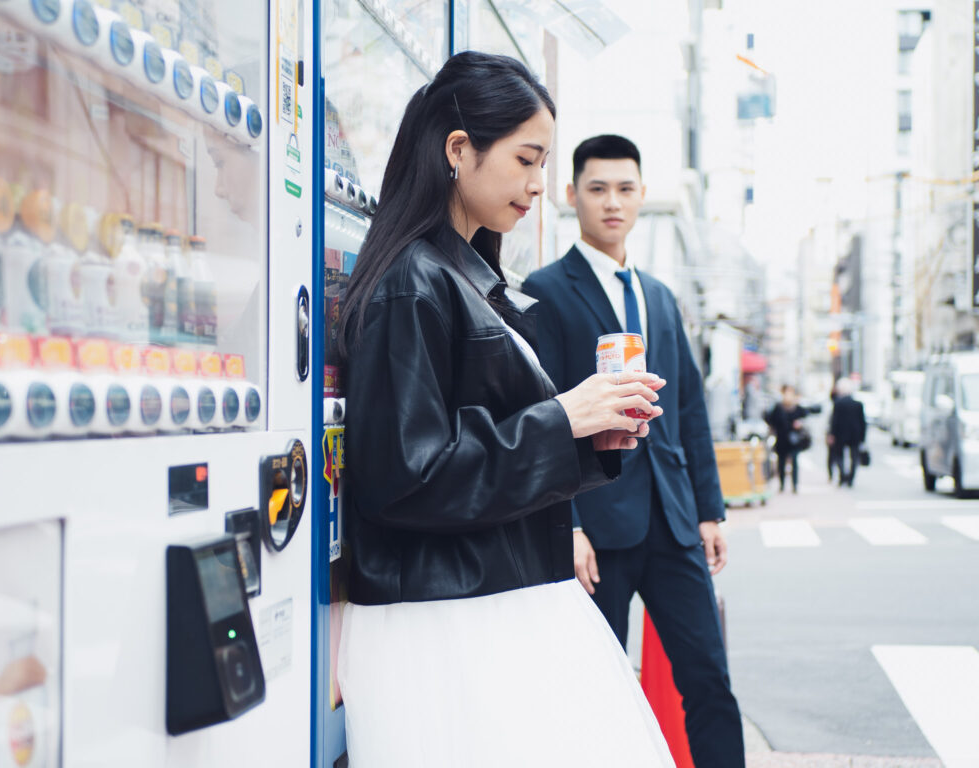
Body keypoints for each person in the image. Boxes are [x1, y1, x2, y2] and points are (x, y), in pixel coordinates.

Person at [337, 53, 674, 767]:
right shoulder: (415, 282)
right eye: (526, 159)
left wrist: (593, 436)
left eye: (543, 161)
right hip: (450, 623)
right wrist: (566, 419)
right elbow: (405, 476)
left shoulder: (464, 277)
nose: (537, 183)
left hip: (487, 601)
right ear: (460, 150)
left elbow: (470, 458)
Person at [522, 134, 745, 768]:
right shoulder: (545, 291)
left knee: (708, 680)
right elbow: (541, 415)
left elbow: (689, 413)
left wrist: (710, 510)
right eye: (597, 189)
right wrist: (564, 523)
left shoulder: (659, 296)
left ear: (643, 196)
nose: (612, 202)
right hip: (595, 527)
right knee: (596, 691)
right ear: (572, 196)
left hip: (673, 522)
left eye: (625, 189)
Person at [765, 385, 810, 493]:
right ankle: (782, 485)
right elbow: (770, 419)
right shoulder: (778, 407)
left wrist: (800, 423)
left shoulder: (798, 407)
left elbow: (805, 417)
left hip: (794, 439)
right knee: (781, 463)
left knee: (794, 462)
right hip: (782, 439)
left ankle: (794, 485)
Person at [830, 377, 867, 487]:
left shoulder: (838, 403)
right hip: (855, 435)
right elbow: (863, 422)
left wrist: (832, 434)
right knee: (854, 458)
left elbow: (834, 420)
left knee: (839, 456)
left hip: (840, 434)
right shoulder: (858, 404)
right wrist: (863, 437)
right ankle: (850, 478)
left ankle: (842, 476)